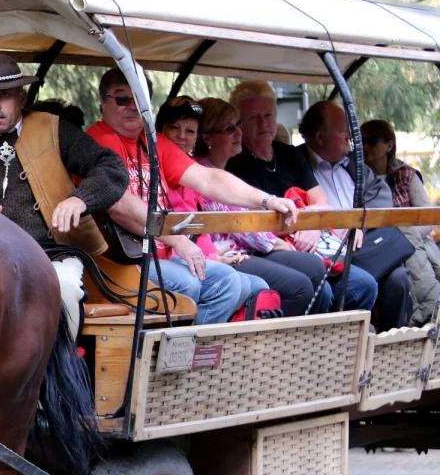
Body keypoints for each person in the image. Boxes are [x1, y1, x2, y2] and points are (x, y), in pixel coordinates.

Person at [0, 54, 129, 335]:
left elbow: (111, 167)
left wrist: (79, 200)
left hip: (55, 254)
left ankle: (64, 369)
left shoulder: (55, 129)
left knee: (66, 289)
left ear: (21, 97)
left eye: (4, 95)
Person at [86, 69, 299, 325]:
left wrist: (266, 200)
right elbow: (120, 204)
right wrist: (179, 240)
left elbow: (208, 178)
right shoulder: (98, 141)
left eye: (139, 99)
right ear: (103, 101)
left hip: (158, 256)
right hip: (118, 262)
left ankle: (187, 353)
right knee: (190, 283)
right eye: (123, 99)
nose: (133, 107)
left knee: (239, 284)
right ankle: (171, 354)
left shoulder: (154, 143)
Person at [225, 80, 377, 315]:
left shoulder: (289, 154)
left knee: (365, 285)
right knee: (322, 290)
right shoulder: (234, 163)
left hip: (312, 243)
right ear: (239, 125)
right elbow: (244, 222)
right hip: (270, 247)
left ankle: (342, 344)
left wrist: (313, 227)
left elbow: (321, 202)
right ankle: (312, 348)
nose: (264, 124)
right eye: (254, 118)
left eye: (268, 115)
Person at [193, 97, 330, 316]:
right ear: (207, 137)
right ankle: (272, 345)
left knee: (316, 268)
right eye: (230, 129)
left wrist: (273, 241)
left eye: (238, 125)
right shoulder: (201, 172)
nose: (239, 133)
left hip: (246, 248)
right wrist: (273, 243)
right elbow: (237, 222)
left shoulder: (221, 169)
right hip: (227, 254)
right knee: (301, 286)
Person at [299, 101, 410, 328]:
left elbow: (379, 194)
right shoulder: (297, 163)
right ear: (320, 137)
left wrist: (360, 224)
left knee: (399, 278)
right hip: (330, 254)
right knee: (358, 283)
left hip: (363, 246)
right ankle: (357, 346)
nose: (350, 136)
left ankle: (393, 348)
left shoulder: (353, 164)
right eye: (343, 131)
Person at [156, 97, 271, 307]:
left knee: (259, 286)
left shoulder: (192, 171)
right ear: (159, 131)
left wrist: (211, 256)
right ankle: (192, 338)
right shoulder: (155, 170)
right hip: (170, 257)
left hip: (200, 255)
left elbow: (198, 228)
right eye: (174, 128)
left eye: (190, 131)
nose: (182, 137)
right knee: (239, 284)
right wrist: (212, 258)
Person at [362, 119, 440, 325]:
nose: (365, 145)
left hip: (415, 241)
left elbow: (428, 217)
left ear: (389, 145)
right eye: (360, 141)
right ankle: (429, 312)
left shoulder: (406, 175)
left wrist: (405, 237)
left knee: (427, 258)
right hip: (377, 245)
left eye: (372, 140)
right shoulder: (355, 177)